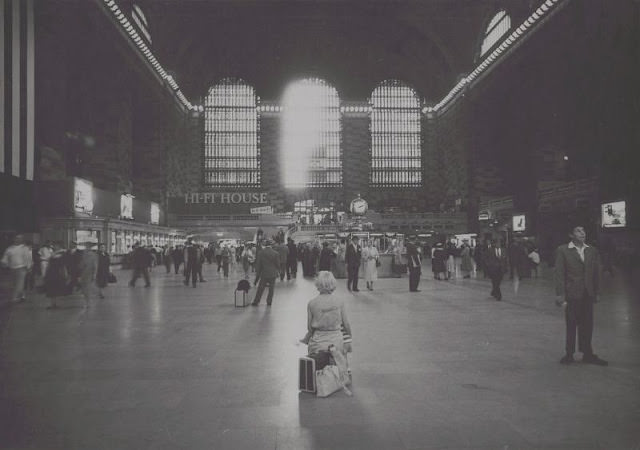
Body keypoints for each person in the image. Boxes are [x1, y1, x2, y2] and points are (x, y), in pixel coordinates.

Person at [554, 225, 607, 366]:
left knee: (588, 325)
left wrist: (598, 292)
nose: (582, 233)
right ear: (571, 235)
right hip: (572, 294)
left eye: (583, 230)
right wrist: (560, 294)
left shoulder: (592, 250)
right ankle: (569, 354)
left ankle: (587, 354)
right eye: (578, 231)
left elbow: (597, 273)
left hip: (587, 293)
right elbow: (559, 274)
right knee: (571, 325)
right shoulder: (563, 250)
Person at [301, 271, 352, 366]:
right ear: (333, 283)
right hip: (336, 342)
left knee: (316, 370)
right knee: (339, 368)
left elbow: (310, 328)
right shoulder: (339, 302)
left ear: (318, 284)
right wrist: (349, 337)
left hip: (318, 343)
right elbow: (346, 324)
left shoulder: (312, 303)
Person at [1, 234, 33, 303]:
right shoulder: (9, 248)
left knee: (20, 284)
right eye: (17, 238)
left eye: (20, 238)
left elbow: (28, 258)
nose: (18, 239)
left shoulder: (24, 248)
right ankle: (20, 295)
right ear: (14, 239)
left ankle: (15, 298)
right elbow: (5, 257)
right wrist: (4, 262)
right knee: (13, 284)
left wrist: (29, 267)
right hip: (12, 268)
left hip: (22, 268)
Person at [251, 240, 280, 306]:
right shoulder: (275, 253)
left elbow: (258, 264)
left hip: (264, 273)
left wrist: (258, 273)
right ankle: (269, 302)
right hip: (273, 273)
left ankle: (256, 301)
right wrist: (277, 271)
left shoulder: (261, 253)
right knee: (271, 288)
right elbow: (278, 264)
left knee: (260, 288)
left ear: (265, 245)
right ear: (271, 245)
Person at [44, 242, 71, 309]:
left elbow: (64, 265)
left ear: (59, 246)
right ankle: (53, 303)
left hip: (58, 272)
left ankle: (56, 303)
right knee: (51, 288)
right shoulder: (53, 254)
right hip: (51, 272)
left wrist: (66, 273)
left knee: (57, 288)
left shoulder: (62, 254)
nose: (54, 247)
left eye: (56, 246)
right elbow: (49, 263)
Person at [78, 242, 98, 308]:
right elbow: (81, 264)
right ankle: (87, 301)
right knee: (84, 289)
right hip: (84, 273)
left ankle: (88, 302)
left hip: (89, 273)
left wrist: (94, 274)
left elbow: (95, 266)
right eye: (86, 247)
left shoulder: (93, 255)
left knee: (87, 289)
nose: (87, 248)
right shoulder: (83, 255)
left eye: (88, 247)